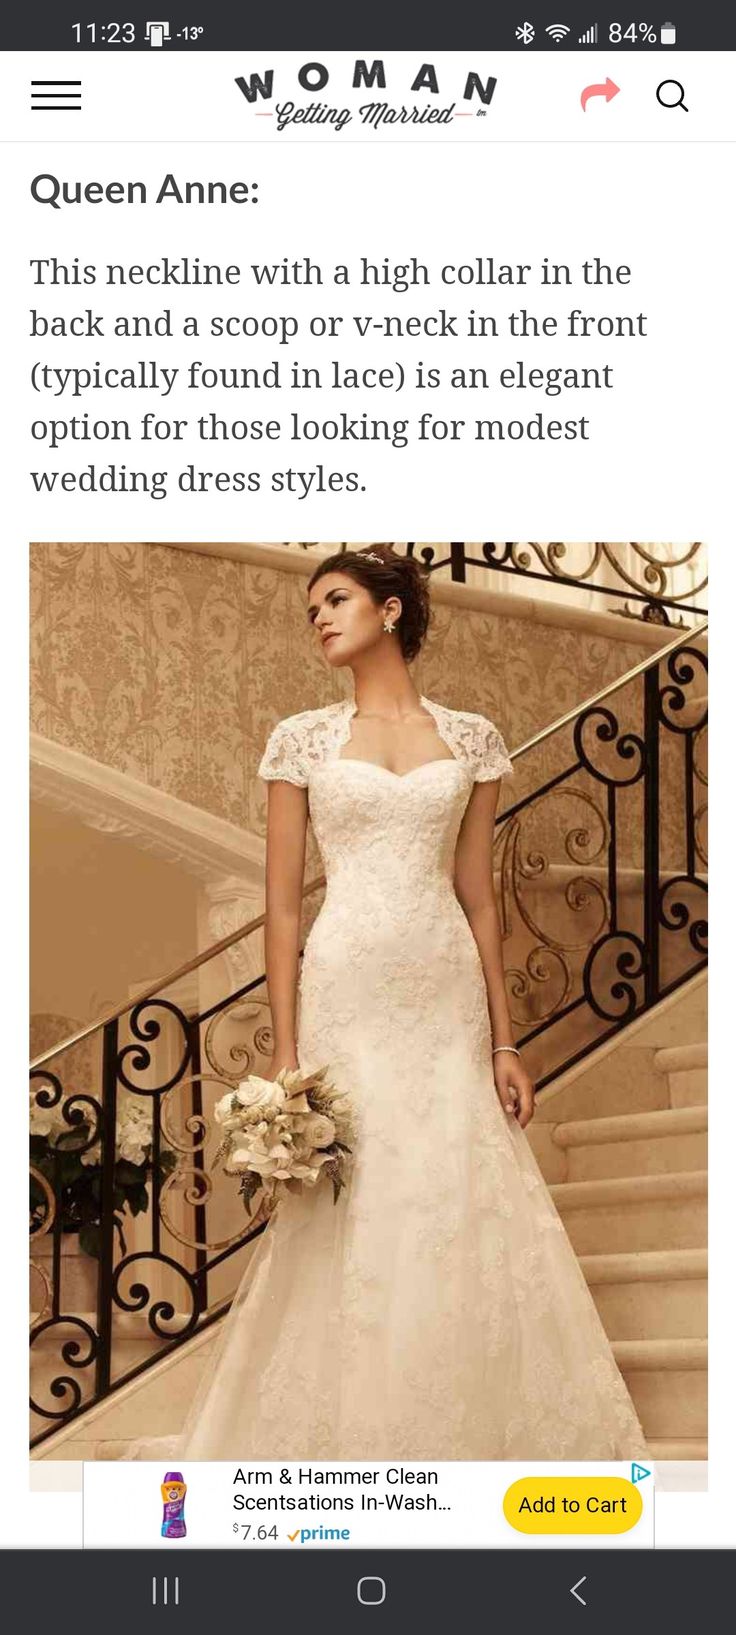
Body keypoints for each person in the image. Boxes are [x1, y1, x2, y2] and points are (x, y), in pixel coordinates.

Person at [129, 545, 647, 1461]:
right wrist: (286, 1052)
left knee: (452, 1180)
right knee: (355, 1194)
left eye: (335, 600)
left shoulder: (474, 738)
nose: (320, 619)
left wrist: (504, 1041)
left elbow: (481, 895)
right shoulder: (301, 739)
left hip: (442, 983)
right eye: (312, 609)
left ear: (392, 610)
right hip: (348, 981)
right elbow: (284, 903)